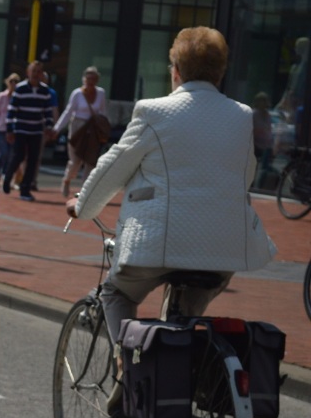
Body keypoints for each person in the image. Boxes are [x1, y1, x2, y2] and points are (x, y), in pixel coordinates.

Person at [66, 26, 276, 377]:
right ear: (220, 73)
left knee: (117, 294)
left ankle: (129, 375)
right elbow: (246, 175)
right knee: (188, 319)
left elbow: (113, 167)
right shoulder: (241, 115)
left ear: (176, 70)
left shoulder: (154, 111)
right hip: (222, 250)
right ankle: (181, 396)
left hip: (157, 246)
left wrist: (83, 206)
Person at [2, 60, 56, 201]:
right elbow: (12, 110)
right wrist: (9, 130)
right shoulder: (20, 89)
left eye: (39, 72)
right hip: (21, 129)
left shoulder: (45, 91)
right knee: (18, 156)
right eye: (34, 71)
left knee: (33, 160)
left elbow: (47, 111)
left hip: (36, 130)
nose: (36, 74)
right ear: (28, 72)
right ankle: (7, 179)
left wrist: (49, 127)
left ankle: (25, 189)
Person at [53, 66, 109, 198]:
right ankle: (67, 180)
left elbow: (103, 112)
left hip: (93, 130)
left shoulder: (101, 93)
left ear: (97, 80)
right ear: (84, 79)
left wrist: (104, 129)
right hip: (77, 129)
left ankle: (84, 191)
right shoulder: (77, 94)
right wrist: (57, 129)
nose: (90, 82)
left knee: (90, 161)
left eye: (93, 79)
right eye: (88, 78)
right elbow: (68, 112)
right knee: (75, 161)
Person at [0, 73, 20, 181]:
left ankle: (1, 172)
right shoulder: (1, 96)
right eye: (11, 81)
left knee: (9, 153)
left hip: (13, 128)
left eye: (16, 81)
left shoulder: (18, 97)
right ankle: (0, 171)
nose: (13, 84)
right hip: (1, 127)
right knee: (4, 152)